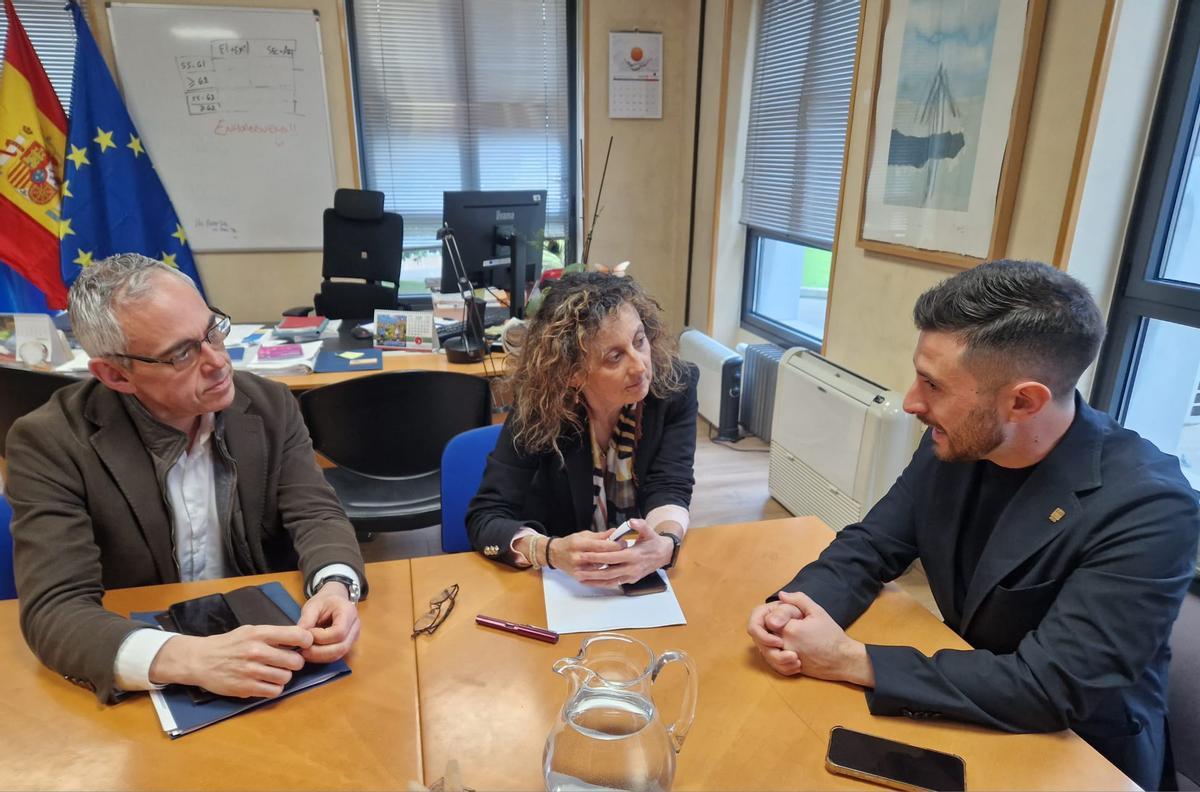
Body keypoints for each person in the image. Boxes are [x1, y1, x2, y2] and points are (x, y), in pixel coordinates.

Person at [746, 260, 1199, 790]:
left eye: (934, 386)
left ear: (1023, 401)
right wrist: (794, 610)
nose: (912, 402)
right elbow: (872, 545)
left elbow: (1050, 687)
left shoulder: (1150, 507)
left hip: (1079, 756)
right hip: (965, 706)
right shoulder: (959, 438)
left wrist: (852, 660)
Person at [6, 253, 367, 704]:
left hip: (268, 642)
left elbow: (315, 512)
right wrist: (188, 659)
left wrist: (335, 584)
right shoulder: (49, 442)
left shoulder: (269, 404)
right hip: (150, 656)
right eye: (181, 353)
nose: (218, 361)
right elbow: (54, 610)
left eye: (212, 330)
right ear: (115, 375)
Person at [467, 271, 697, 585]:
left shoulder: (674, 388)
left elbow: (671, 486)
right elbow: (486, 516)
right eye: (615, 357)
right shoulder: (539, 406)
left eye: (639, 341)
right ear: (573, 373)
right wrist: (547, 550)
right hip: (563, 583)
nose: (641, 365)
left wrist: (666, 543)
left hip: (635, 573)